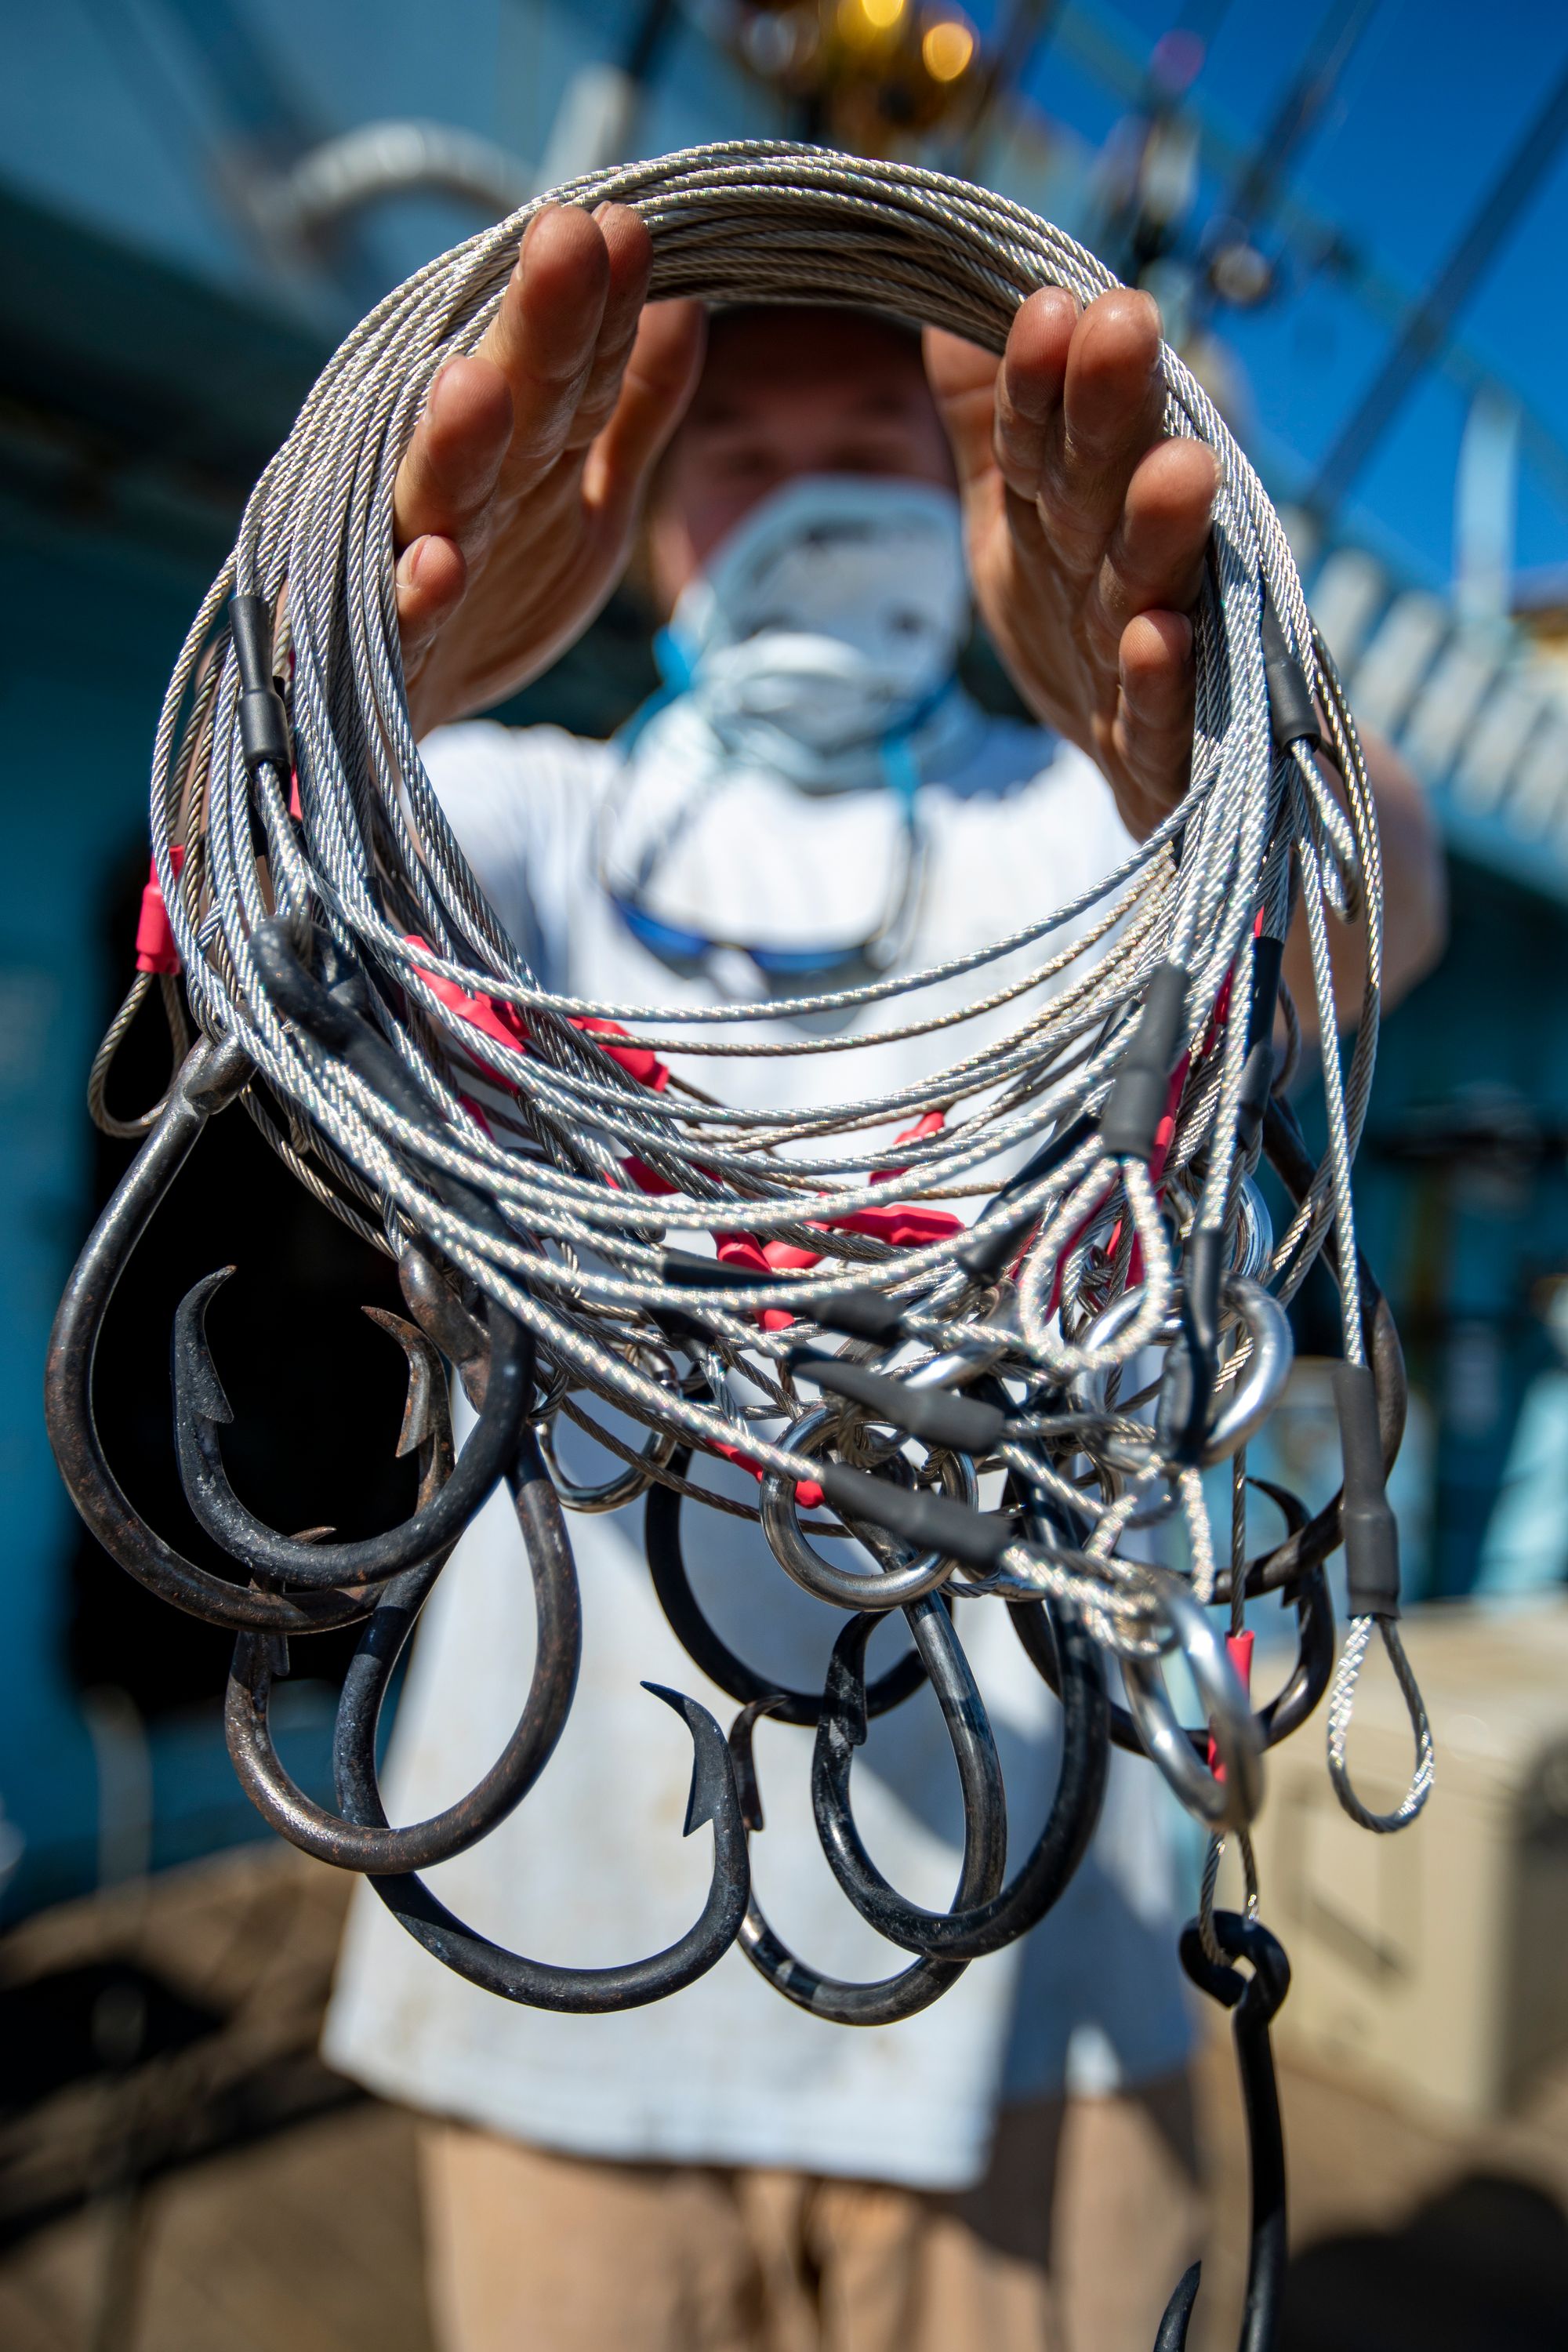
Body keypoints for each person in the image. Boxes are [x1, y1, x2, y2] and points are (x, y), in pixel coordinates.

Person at [324, 201, 1445, 2352]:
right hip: (555, 1966)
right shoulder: (510, 818)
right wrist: (369, 693)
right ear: (652, 521)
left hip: (1049, 2000)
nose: (818, 494)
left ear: (969, 502)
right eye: (743, 455)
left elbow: (1371, 914)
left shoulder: (1103, 823)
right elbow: (264, 911)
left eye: (879, 443)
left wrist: (1224, 728)